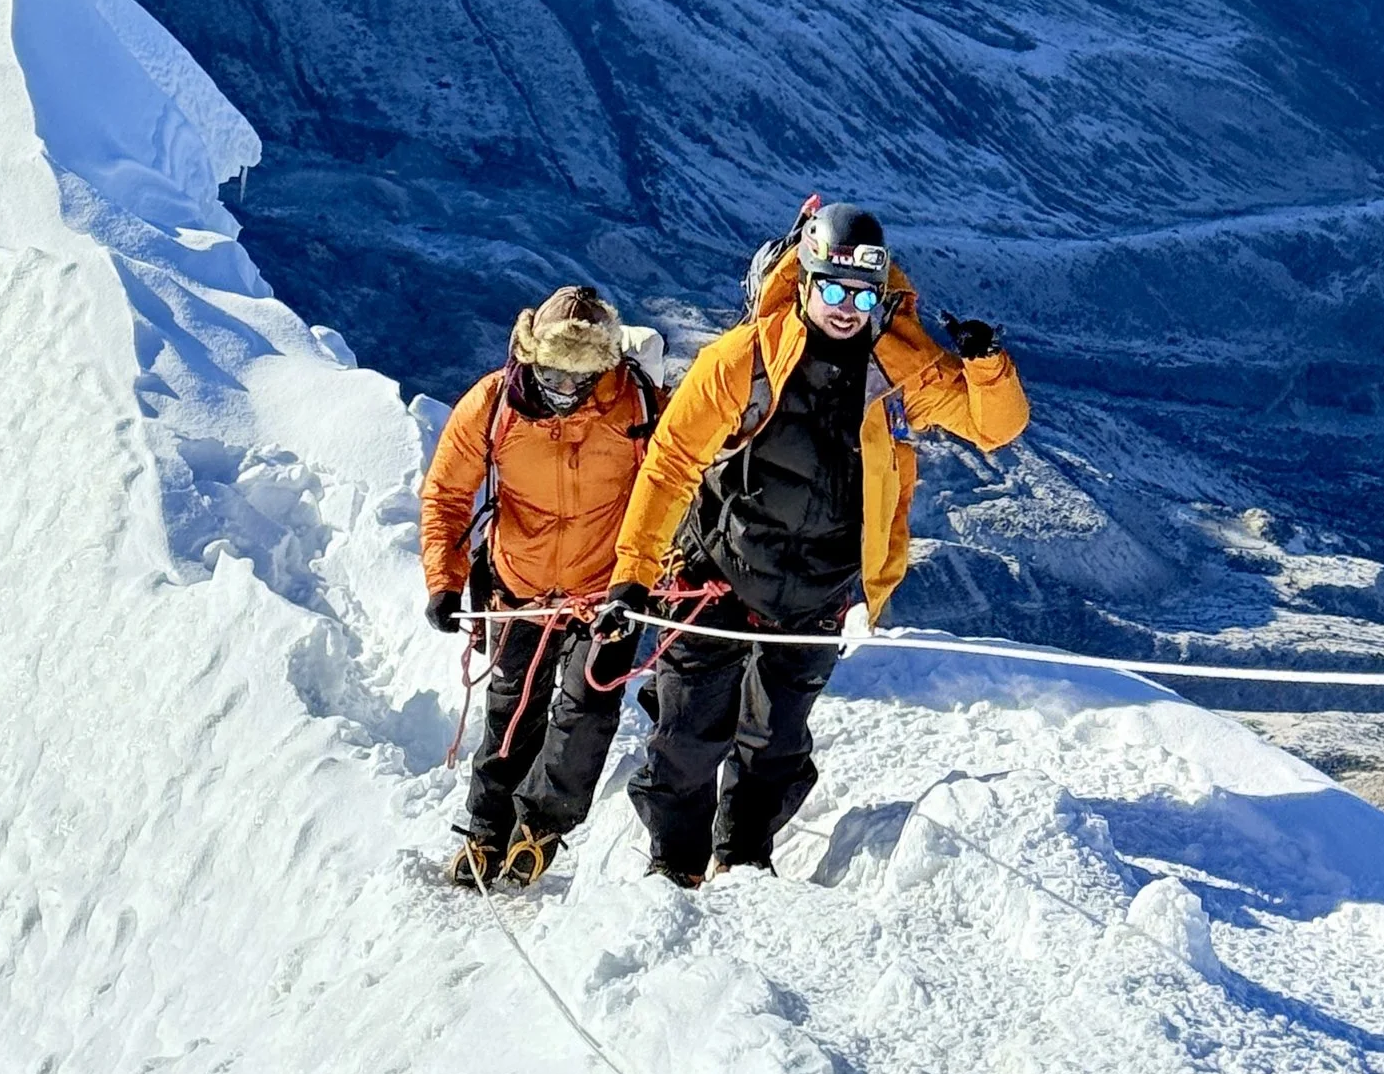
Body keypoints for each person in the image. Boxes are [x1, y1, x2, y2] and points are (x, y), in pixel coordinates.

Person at [599, 203, 1027, 887]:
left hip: (819, 584)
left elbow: (993, 427)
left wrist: (984, 364)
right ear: (803, 280)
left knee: (776, 741)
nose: (845, 308)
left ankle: (742, 855)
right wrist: (634, 572)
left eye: (861, 295)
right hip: (720, 568)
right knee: (687, 736)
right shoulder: (744, 357)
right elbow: (672, 462)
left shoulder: (898, 367)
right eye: (831, 288)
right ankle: (674, 862)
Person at [420, 282, 661, 889]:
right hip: (516, 586)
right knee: (512, 706)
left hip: (607, 590)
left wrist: (640, 581)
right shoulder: (493, 403)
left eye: (577, 378)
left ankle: (540, 827)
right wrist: (444, 581)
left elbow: (672, 489)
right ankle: (485, 827)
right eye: (552, 374)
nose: (563, 391)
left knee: (588, 704)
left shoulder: (635, 407)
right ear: (530, 356)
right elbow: (447, 494)